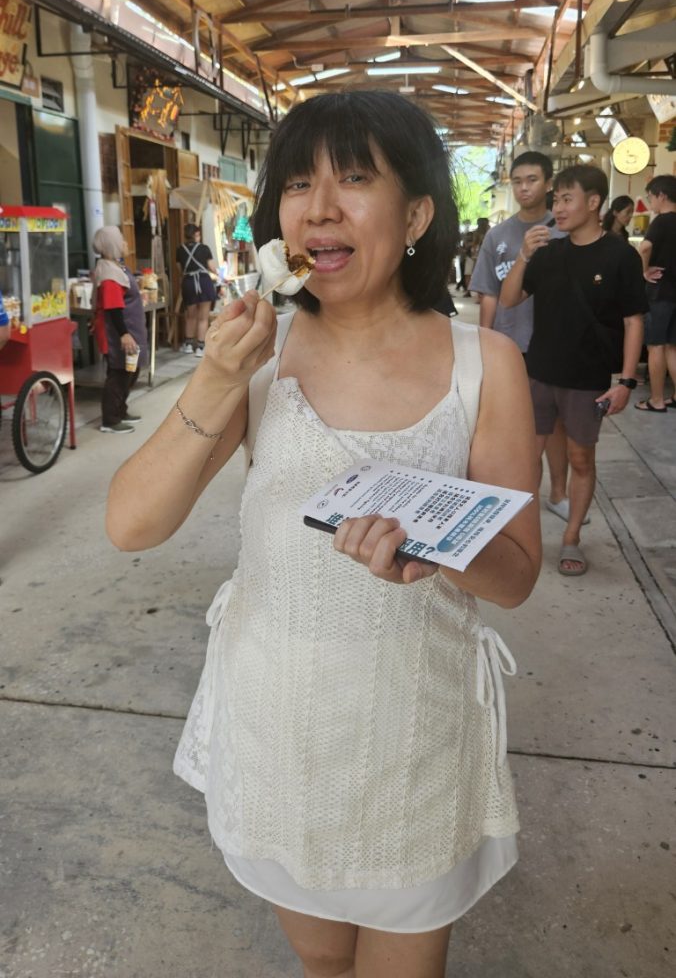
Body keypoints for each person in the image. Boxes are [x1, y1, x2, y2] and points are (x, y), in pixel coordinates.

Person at [106, 90, 541, 978]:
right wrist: (214, 379)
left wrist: (437, 550)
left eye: (354, 179)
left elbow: (517, 575)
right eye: (299, 185)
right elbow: (131, 524)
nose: (319, 209)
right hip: (277, 730)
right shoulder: (261, 357)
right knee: (321, 961)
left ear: (416, 215)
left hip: (415, 735)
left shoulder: (485, 365)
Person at [500, 164, 647, 578]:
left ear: (594, 202)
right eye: (557, 200)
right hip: (539, 372)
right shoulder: (548, 253)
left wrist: (626, 381)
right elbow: (509, 298)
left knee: (582, 458)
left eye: (567, 199)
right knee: (526, 458)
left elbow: (634, 320)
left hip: (587, 379)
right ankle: (521, 535)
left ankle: (571, 538)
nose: (558, 208)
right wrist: (524, 255)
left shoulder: (620, 255)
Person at [470, 150, 573, 524]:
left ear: (548, 183)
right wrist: (482, 345)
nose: (524, 188)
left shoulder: (564, 230)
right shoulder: (497, 236)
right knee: (518, 429)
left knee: (555, 425)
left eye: (532, 180)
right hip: (509, 346)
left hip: (554, 345)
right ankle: (520, 500)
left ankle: (558, 492)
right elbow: (488, 294)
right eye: (517, 181)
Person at [92, 226, 148, 435]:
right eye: (122, 240)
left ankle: (120, 410)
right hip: (118, 332)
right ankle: (110, 419)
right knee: (119, 373)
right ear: (112, 245)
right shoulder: (109, 274)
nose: (125, 243)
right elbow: (113, 308)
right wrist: (124, 334)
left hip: (129, 329)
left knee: (130, 371)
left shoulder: (116, 267)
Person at [635, 174, 676, 412]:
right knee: (672, 345)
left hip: (660, 291)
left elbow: (645, 247)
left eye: (650, 197)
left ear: (662, 196)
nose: (650, 203)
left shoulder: (662, 221)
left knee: (656, 345)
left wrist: (644, 271)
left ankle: (657, 399)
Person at [177, 222, 219, 358]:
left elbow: (180, 270)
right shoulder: (204, 248)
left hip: (188, 283)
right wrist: (220, 274)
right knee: (203, 318)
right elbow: (212, 268)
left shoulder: (180, 249)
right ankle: (200, 347)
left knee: (190, 316)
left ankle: (189, 345)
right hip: (204, 282)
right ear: (196, 234)